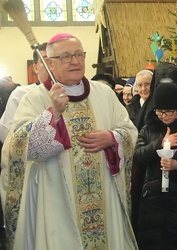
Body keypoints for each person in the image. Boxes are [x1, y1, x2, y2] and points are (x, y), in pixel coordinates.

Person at [1, 33, 138, 249]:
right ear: (51, 64)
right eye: (66, 56)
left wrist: (111, 138)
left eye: (78, 54)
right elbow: (17, 147)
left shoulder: (104, 93)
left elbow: (129, 131)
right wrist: (52, 114)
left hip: (104, 198)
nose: (75, 61)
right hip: (57, 202)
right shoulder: (35, 98)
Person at [133, 82, 177, 249]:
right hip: (152, 200)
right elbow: (137, 157)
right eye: (159, 111)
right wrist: (161, 143)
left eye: (168, 112)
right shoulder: (148, 128)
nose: (163, 116)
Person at [0, 42, 48, 143]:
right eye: (45, 60)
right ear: (35, 68)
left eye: (55, 60)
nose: (51, 65)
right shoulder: (20, 94)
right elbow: (6, 134)